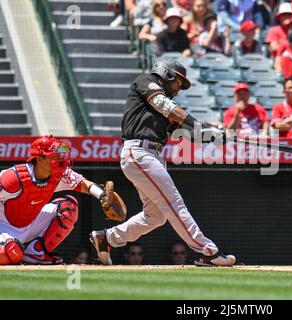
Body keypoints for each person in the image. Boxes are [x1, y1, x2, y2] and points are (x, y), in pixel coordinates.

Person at [89, 60, 236, 267]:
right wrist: (201, 125)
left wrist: (217, 134)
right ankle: (206, 251)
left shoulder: (169, 109)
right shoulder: (146, 82)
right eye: (178, 82)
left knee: (155, 216)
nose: (179, 88)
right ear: (166, 74)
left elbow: (191, 133)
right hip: (139, 152)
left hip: (152, 155)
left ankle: (108, 238)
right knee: (174, 202)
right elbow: (167, 107)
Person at [0, 135, 122, 265]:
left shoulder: (59, 174)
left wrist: (102, 196)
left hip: (32, 221)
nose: (61, 160)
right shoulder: (13, 178)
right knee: (9, 253)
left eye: (61, 156)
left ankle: (36, 253)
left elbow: (84, 184)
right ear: (40, 158)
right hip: (5, 226)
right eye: (55, 156)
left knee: (68, 208)